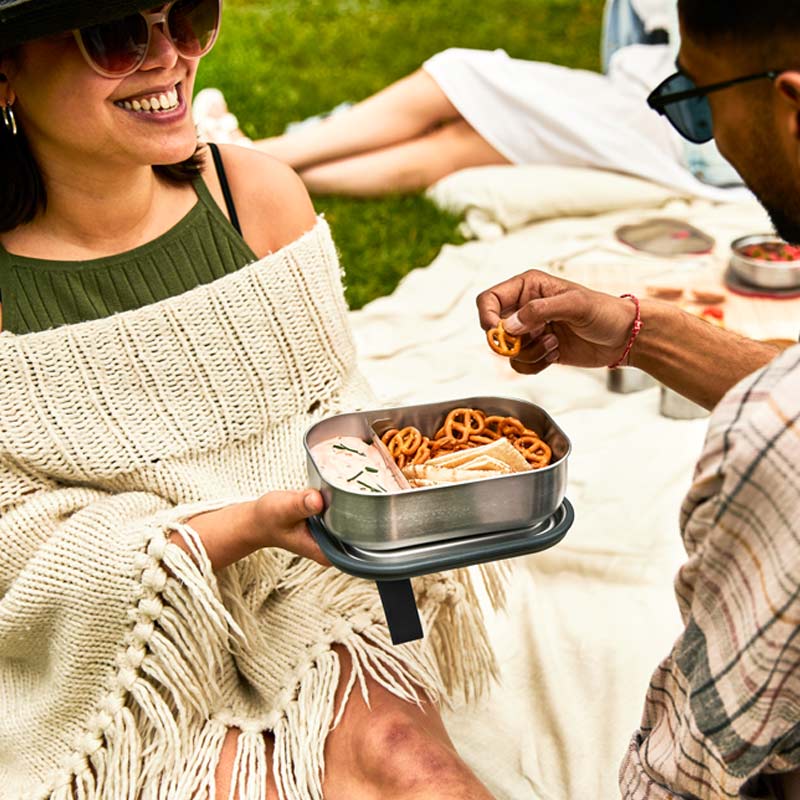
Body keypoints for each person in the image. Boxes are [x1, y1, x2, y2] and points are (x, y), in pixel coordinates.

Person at [0, 1, 501, 797]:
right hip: (120, 644)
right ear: (6, 70)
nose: (169, 58)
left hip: (316, 583)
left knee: (409, 758)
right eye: (118, 35)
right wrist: (236, 527)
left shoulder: (255, 197)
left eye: (188, 17)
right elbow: (13, 542)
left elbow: (336, 421)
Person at [477, 0, 800, 796]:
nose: (711, 135)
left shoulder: (774, 442)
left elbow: (696, 760)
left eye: (696, 100)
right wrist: (636, 331)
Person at [202, 0, 742, 199]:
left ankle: (247, 158)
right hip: (665, 106)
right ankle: (250, 174)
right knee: (463, 143)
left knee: (459, 75)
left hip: (679, 121)